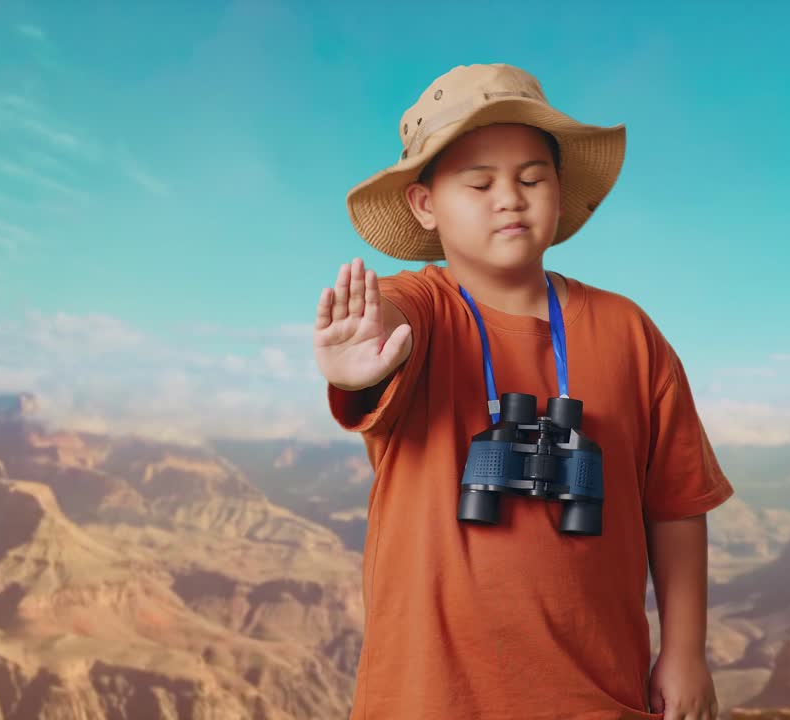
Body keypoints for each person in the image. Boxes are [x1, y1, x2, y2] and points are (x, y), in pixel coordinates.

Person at [313, 63, 734, 720]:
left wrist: (685, 651)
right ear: (425, 204)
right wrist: (359, 353)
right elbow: (390, 321)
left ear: (559, 191)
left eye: (532, 179)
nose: (509, 198)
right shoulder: (423, 307)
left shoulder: (628, 331)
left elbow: (677, 504)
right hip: (431, 699)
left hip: (598, 693)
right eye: (479, 183)